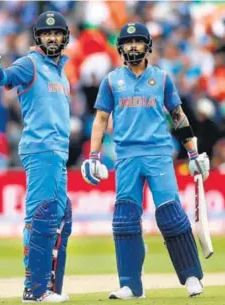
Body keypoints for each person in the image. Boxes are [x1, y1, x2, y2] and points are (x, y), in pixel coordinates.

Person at [81, 22, 210, 299]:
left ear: (147, 45)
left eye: (138, 42)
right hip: (126, 157)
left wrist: (193, 153)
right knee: (125, 220)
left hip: (158, 154)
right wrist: (93, 156)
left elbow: (178, 116)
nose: (132, 47)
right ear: (120, 48)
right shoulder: (111, 81)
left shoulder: (162, 78)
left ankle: (191, 277)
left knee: (170, 215)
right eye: (127, 43)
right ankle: (130, 284)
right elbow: (101, 119)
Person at [0, 11, 72, 303]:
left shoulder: (61, 71)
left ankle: (49, 287)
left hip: (59, 151)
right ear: (37, 37)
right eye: (46, 34)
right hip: (40, 149)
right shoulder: (30, 64)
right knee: (40, 217)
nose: (51, 38)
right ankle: (34, 289)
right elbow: (3, 78)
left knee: (59, 218)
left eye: (56, 33)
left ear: (64, 37)